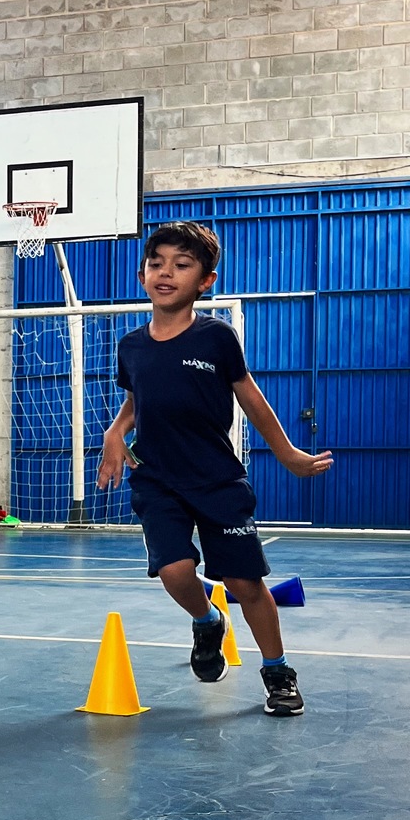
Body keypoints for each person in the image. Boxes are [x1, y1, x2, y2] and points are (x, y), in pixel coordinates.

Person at [97, 220, 332, 717]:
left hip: (217, 480)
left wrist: (288, 453)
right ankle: (207, 621)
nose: (166, 272)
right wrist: (115, 432)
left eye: (181, 265)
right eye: (156, 263)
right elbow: (137, 400)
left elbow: (251, 398)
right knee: (176, 571)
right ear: (142, 275)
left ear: (205, 281)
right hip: (157, 479)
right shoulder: (131, 346)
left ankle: (278, 673)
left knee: (246, 585)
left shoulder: (216, 338)